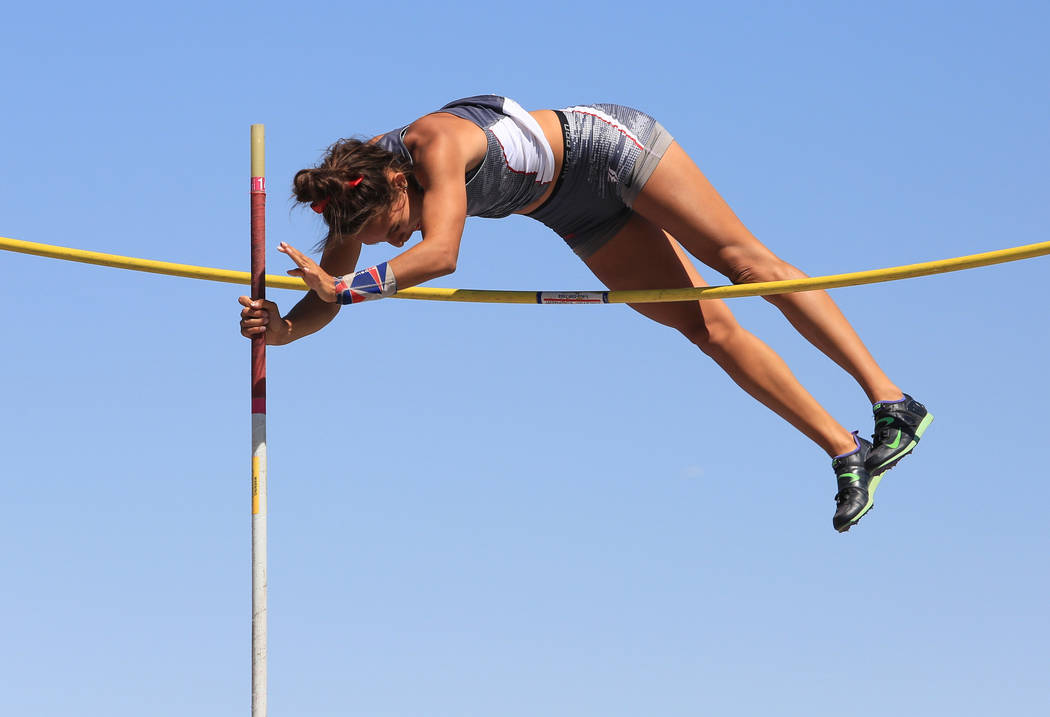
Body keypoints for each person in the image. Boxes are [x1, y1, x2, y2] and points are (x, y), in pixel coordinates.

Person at [237, 95, 933, 532]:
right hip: (570, 209)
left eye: (395, 224)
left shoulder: (431, 144)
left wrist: (349, 287)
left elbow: (441, 254)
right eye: (383, 239)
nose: (397, 239)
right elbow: (330, 293)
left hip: (608, 151)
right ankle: (844, 451)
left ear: (398, 179)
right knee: (705, 328)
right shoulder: (355, 202)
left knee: (741, 264)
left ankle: (891, 399)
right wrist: (288, 326)